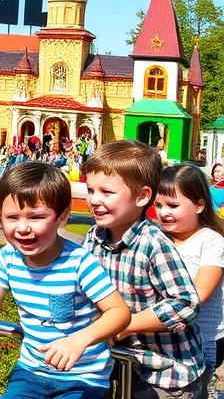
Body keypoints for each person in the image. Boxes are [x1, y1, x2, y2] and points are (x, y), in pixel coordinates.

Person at [0, 162, 130, 399]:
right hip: (31, 371)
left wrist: (79, 340)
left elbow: (119, 312)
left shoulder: (80, 262)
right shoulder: (9, 257)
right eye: (12, 217)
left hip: (82, 377)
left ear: (62, 218)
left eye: (36, 217)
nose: (22, 228)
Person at [83, 140, 204, 398]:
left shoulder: (153, 243)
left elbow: (185, 304)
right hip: (119, 361)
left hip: (165, 370)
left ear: (142, 196)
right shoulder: (94, 237)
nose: (94, 200)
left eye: (106, 192)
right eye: (91, 190)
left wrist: (125, 324)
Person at [153, 164, 224, 377]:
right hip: (163, 335)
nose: (163, 213)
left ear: (200, 205)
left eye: (173, 206)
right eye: (158, 205)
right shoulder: (156, 237)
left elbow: (198, 294)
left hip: (203, 339)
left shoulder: (211, 241)